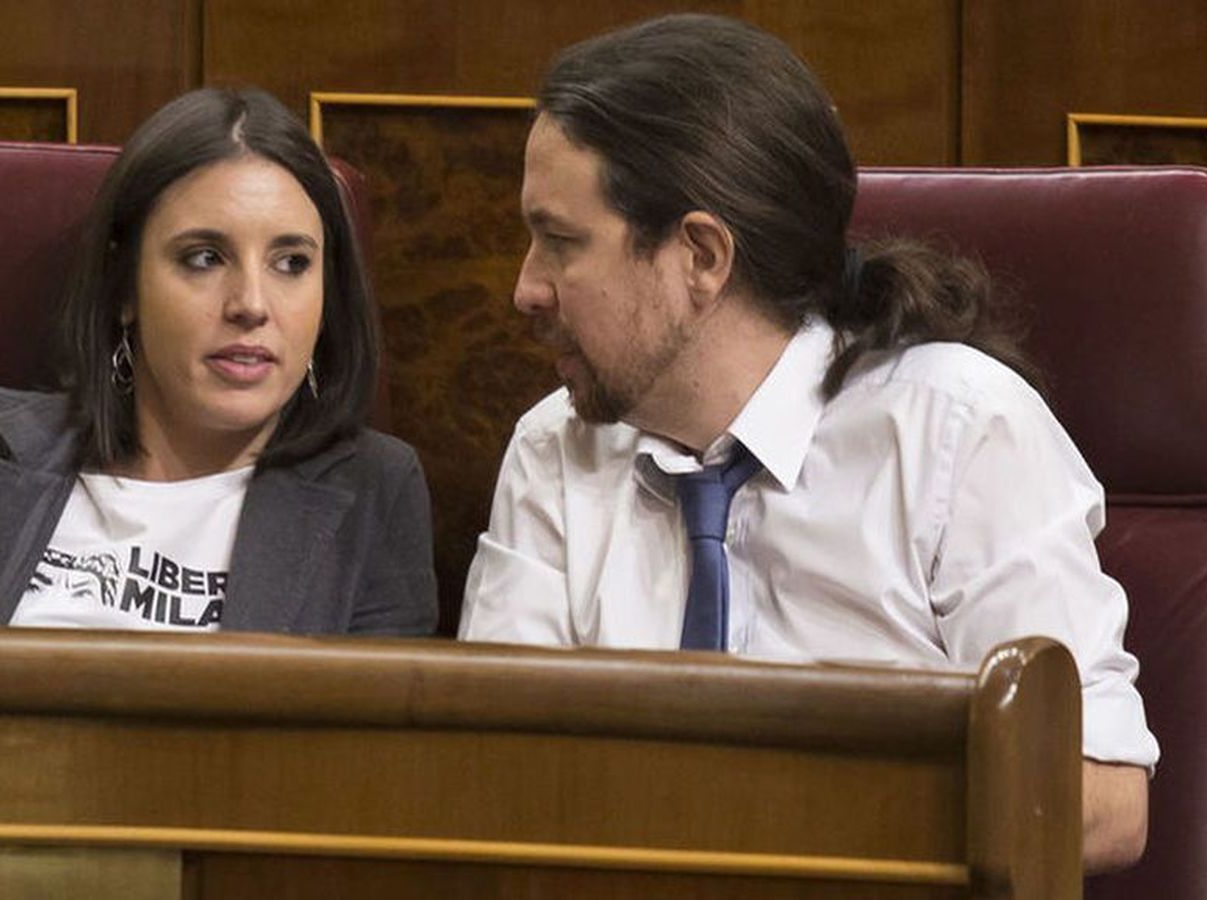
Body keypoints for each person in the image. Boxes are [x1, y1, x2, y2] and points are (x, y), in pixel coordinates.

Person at [457, 14, 1153, 871]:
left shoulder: (956, 432)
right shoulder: (554, 448)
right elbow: (490, 773)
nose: (525, 288)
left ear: (701, 256)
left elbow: (1102, 800)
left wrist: (786, 823)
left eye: (561, 242)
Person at [0, 87, 437, 637]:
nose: (252, 304)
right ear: (124, 289)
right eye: (204, 258)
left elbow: (370, 773)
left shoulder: (376, 493)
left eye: (292, 263)